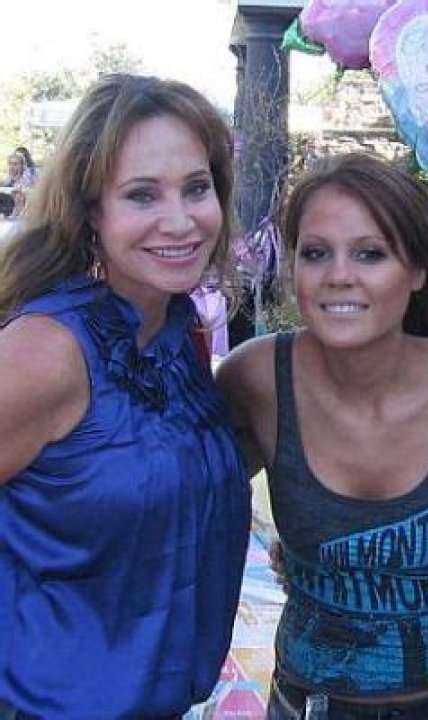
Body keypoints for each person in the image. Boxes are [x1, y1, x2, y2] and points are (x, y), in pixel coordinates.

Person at [217, 152, 428, 719]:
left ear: (418, 272)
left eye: (370, 253)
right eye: (316, 253)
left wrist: (406, 559)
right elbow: (189, 507)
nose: (339, 275)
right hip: (313, 703)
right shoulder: (256, 380)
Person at [0, 73, 252, 719]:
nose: (181, 219)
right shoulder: (48, 351)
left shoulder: (176, 330)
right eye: (142, 194)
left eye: (196, 188)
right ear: (93, 212)